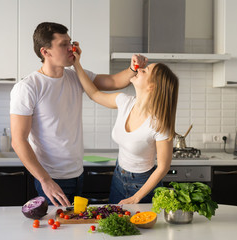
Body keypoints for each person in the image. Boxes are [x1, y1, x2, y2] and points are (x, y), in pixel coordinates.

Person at [9, 22, 147, 207]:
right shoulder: (28, 87)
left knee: (75, 230)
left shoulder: (75, 77)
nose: (71, 48)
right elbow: (18, 140)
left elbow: (114, 81)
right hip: (52, 179)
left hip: (77, 174)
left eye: (70, 42)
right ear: (45, 52)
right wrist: (45, 181)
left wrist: (133, 68)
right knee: (56, 232)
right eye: (63, 44)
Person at [72, 45, 179, 204]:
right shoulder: (125, 102)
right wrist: (76, 64)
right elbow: (94, 94)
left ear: (152, 87)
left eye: (145, 71)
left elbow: (163, 167)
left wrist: (137, 197)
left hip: (143, 186)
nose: (139, 70)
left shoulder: (159, 124)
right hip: (118, 177)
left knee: (141, 228)